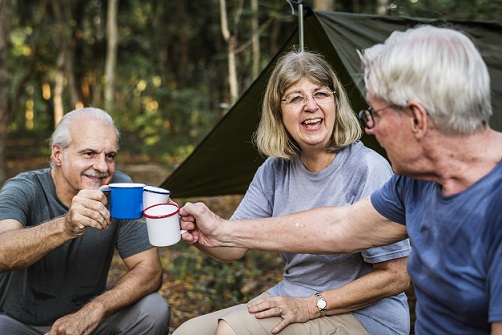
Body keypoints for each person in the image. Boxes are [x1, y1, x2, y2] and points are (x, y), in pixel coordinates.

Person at [180, 25, 502, 335]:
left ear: (416, 118)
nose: (370, 129)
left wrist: (312, 304)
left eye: (373, 114)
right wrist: (221, 230)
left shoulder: (492, 204)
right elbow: (339, 226)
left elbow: (394, 273)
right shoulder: (414, 183)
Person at [175, 50, 411, 335]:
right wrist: (197, 230)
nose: (310, 106)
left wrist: (310, 305)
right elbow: (232, 247)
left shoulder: (368, 167)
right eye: (296, 98)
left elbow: (397, 276)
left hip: (366, 317)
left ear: (336, 102)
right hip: (291, 295)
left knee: (232, 331)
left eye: (321, 94)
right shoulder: (274, 170)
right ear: (278, 112)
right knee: (187, 332)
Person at [0, 107, 170, 335]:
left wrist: (93, 311)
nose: (102, 167)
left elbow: (150, 270)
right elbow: (2, 251)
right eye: (89, 153)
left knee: (153, 309)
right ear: (57, 155)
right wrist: (65, 226)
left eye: (110, 156)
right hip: (16, 323)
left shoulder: (119, 190)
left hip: (87, 321)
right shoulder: (24, 188)